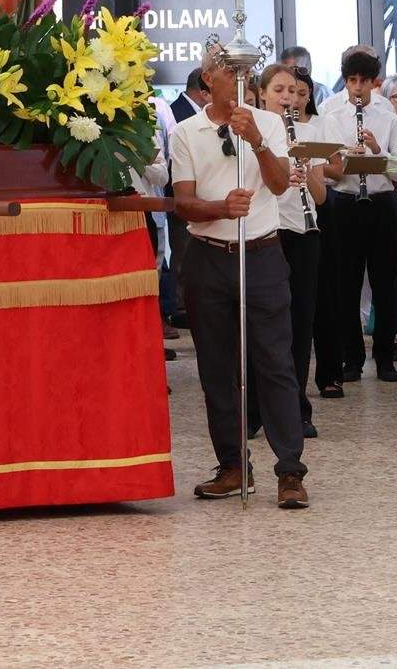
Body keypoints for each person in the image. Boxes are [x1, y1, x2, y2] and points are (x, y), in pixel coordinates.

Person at [170, 47, 305, 508]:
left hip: (262, 254)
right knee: (216, 368)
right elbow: (183, 202)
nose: (240, 78)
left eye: (246, 71)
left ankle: (290, 471)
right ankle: (232, 465)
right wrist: (218, 208)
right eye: (230, 71)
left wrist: (258, 143)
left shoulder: (266, 122)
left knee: (275, 363)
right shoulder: (186, 132)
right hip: (208, 258)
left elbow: (282, 183)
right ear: (209, 79)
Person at [316, 48, 397, 385]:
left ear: (374, 82)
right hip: (345, 200)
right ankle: (351, 358)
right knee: (345, 283)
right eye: (351, 80)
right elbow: (324, 167)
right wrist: (342, 159)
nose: (356, 88)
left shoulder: (388, 115)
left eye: (363, 81)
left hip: (382, 202)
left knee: (386, 283)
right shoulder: (329, 112)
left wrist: (376, 152)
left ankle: (385, 357)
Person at [260, 64, 325, 439]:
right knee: (265, 326)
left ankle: (298, 405)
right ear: (263, 93)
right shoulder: (251, 131)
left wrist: (306, 171)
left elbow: (320, 197)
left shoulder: (309, 132)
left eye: (294, 91)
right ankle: (256, 408)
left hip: (303, 231)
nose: (287, 97)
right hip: (267, 232)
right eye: (280, 90)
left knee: (301, 323)